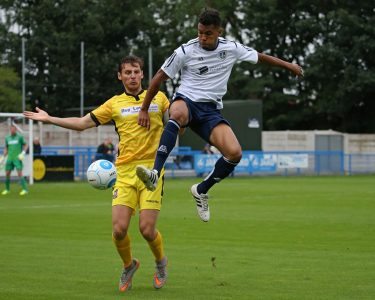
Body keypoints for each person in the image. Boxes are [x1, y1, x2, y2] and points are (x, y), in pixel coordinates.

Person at [136, 7, 304, 222]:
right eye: (200, 32)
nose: (202, 38)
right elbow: (159, 77)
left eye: (208, 34)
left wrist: (289, 66)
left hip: (210, 111)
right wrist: (144, 108)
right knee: (176, 113)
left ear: (219, 32)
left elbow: (260, 57)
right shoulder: (185, 51)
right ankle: (154, 173)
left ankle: (201, 189)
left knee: (235, 153)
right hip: (186, 101)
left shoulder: (231, 48)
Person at [23, 55, 170, 292]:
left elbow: (177, 123)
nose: (132, 76)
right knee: (119, 229)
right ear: (120, 76)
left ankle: (161, 263)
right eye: (127, 72)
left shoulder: (160, 98)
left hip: (151, 170)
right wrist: (49, 118)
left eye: (136, 72)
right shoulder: (114, 104)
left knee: (146, 229)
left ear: (143, 74)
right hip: (123, 171)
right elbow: (82, 124)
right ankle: (129, 265)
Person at [1, 124, 29, 196]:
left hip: (17, 159)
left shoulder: (19, 137)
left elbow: (26, 145)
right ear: (10, 130)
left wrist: (23, 153)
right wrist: (3, 157)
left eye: (14, 129)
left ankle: (25, 189)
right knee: (7, 173)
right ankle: (7, 189)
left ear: (16, 130)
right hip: (10, 158)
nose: (12, 130)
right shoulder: (7, 138)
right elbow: (6, 148)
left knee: (20, 173)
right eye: (11, 129)